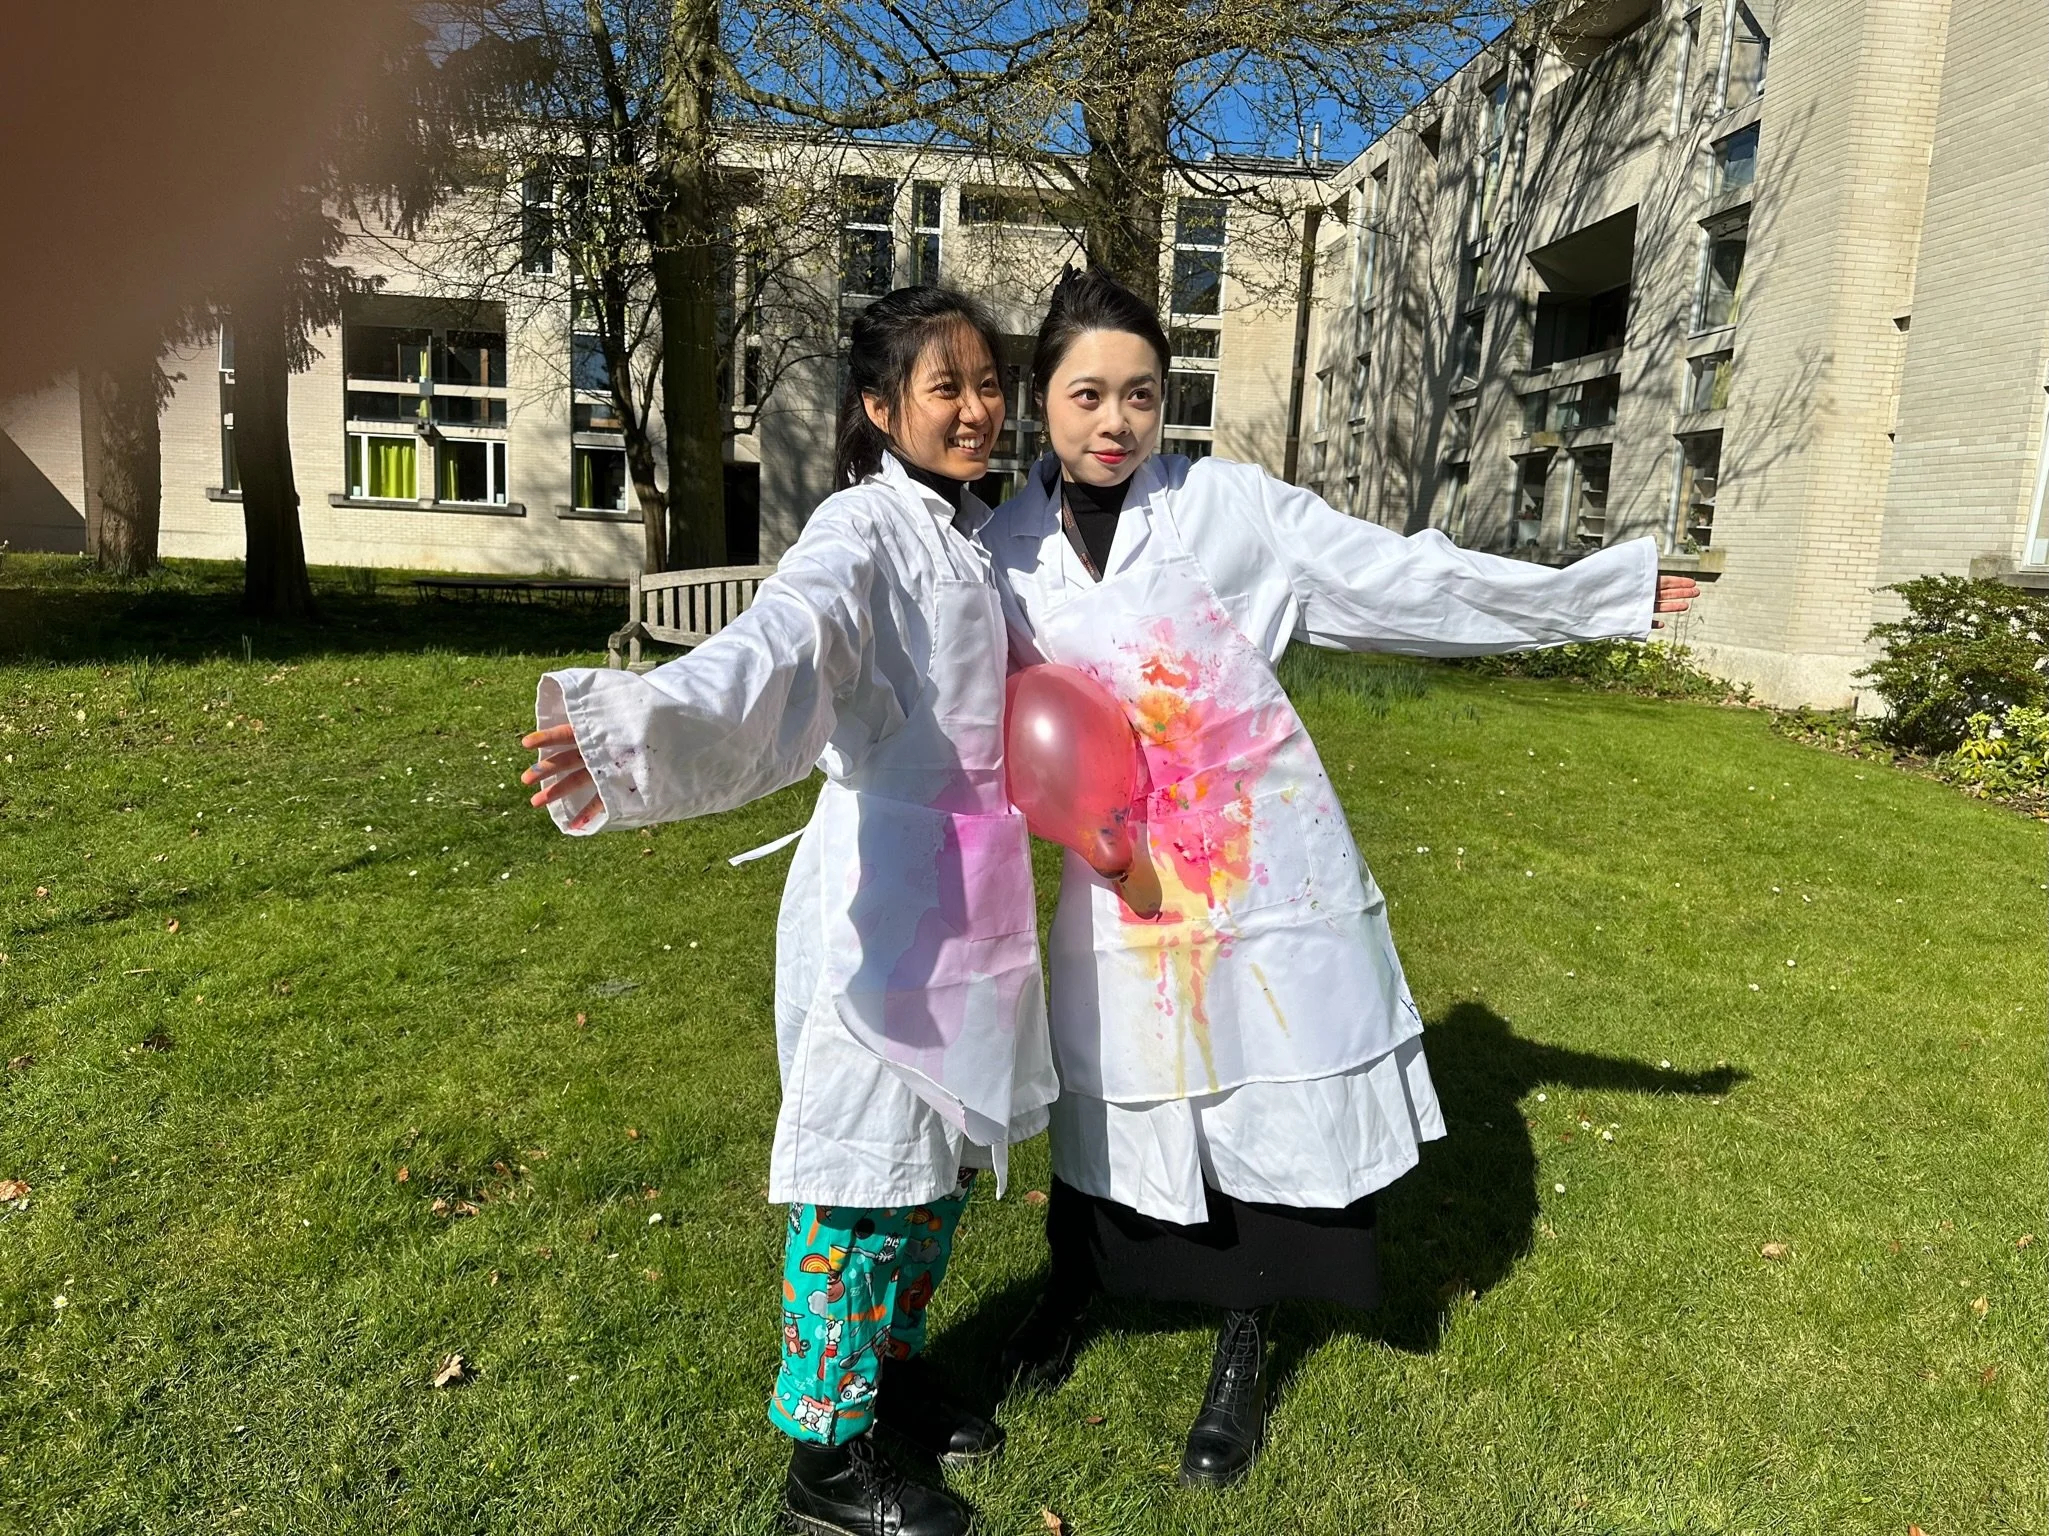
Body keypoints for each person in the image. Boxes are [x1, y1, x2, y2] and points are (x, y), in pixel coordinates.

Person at [984, 266, 1698, 1488]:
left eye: (1143, 396)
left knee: (1267, 1091)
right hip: (1120, 878)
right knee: (1119, 1087)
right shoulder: (1003, 547)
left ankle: (1245, 1336)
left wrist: (1595, 598)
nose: (1116, 423)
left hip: (1257, 872)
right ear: (1039, 401)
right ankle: (1085, 1290)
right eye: (1088, 394)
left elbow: (1406, 575)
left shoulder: (1231, 510)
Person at [521, 287, 1055, 1536]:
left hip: (974, 886)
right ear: (881, 409)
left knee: (936, 1168)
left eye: (989, 382)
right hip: (882, 893)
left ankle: (894, 1379)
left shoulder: (975, 533)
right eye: (948, 387)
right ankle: (825, 1461)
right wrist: (642, 725)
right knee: (861, 1174)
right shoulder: (863, 527)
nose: (979, 408)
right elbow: (786, 642)